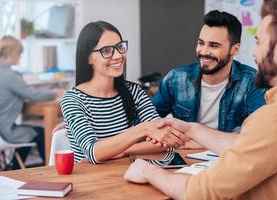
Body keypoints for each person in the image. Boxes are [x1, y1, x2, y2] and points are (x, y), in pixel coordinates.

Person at [124, 0, 277, 199]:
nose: (254, 52)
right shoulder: (176, 78)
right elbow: (252, 145)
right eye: (201, 43)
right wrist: (191, 129)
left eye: (259, 43)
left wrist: (149, 172)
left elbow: (203, 191)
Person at [60, 21, 188, 164]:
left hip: (128, 175)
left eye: (120, 47)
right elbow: (93, 152)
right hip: (91, 180)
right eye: (107, 50)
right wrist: (143, 129)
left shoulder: (134, 92)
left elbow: (166, 143)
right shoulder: (72, 100)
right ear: (89, 58)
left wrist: (124, 151)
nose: (118, 55)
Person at [151, 10, 265, 152]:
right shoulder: (176, 79)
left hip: (230, 159)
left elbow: (258, 135)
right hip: (185, 159)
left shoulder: (252, 81)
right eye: (201, 43)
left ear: (235, 50)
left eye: (214, 45)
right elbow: (147, 125)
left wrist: (201, 142)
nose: (204, 51)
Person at [0, 36, 63, 169]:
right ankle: (52, 168)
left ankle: (15, 167)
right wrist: (55, 93)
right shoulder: (11, 76)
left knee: (31, 131)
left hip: (1, 130)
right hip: (5, 132)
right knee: (40, 132)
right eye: (19, 54)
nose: (20, 57)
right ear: (11, 53)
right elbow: (34, 95)